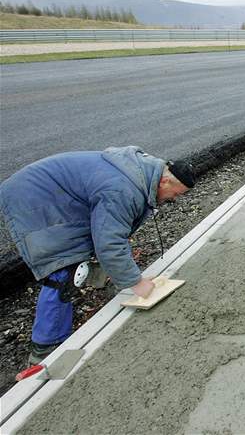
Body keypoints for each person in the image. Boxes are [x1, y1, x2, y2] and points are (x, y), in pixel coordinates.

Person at [0, 146, 195, 364]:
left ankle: (103, 279)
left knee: (90, 246)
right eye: (175, 194)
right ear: (164, 182)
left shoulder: (143, 173)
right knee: (62, 267)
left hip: (55, 193)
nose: (173, 200)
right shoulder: (123, 190)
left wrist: (130, 277)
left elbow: (112, 231)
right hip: (34, 196)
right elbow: (110, 241)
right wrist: (135, 282)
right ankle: (45, 347)